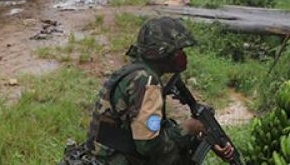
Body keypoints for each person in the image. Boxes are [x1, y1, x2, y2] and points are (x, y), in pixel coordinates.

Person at [63, 17, 235, 164]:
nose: (182, 56)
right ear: (163, 53)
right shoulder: (147, 82)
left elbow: (149, 127)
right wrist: (188, 128)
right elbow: (148, 145)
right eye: (178, 51)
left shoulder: (133, 72)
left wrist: (201, 137)